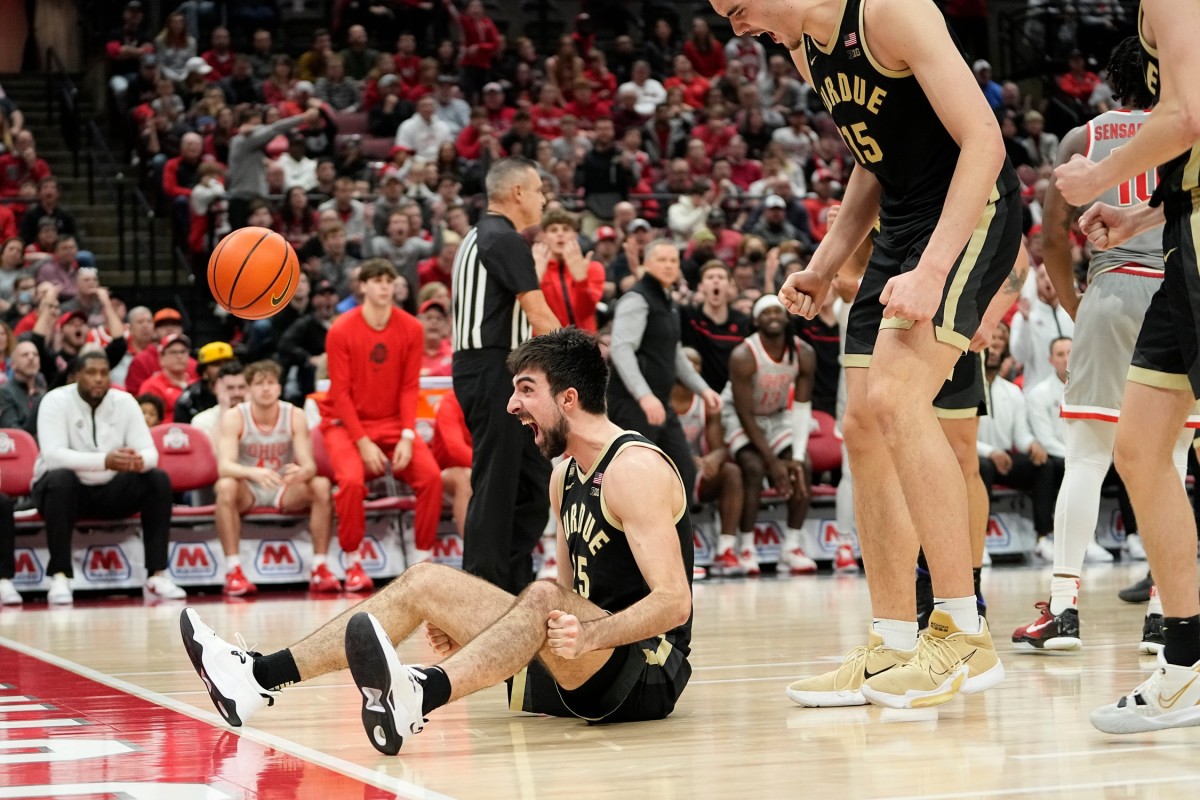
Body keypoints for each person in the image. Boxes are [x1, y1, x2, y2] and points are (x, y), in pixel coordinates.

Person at [181, 328, 694, 754]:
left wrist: (588, 638)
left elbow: (674, 604)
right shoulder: (565, 474)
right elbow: (567, 601)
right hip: (585, 664)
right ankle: (256, 679)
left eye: (525, 389)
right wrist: (486, 635)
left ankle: (420, 692)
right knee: (426, 581)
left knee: (539, 595)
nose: (512, 404)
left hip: (646, 671)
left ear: (568, 398)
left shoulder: (634, 469)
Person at [720, 0, 1022, 708]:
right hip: (902, 222)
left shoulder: (890, 12)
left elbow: (984, 140)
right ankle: (891, 641)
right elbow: (870, 162)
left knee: (896, 399)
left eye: (736, 10)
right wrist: (827, 264)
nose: (736, 30)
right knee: (862, 425)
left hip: (968, 212)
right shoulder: (803, 46)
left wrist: (934, 269)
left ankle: (963, 633)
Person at [1051, 0, 1200, 733]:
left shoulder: (1173, 3)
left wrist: (1101, 176)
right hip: (1175, 242)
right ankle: (1185, 661)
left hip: (1162, 263)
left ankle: (1065, 599)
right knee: (1143, 450)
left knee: (1105, 453)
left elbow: (1186, 118)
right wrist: (1141, 216)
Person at [1016, 38, 1183, 655]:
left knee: (1087, 456)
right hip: (1176, 296)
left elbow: (1054, 241)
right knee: (1172, 456)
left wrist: (1071, 303)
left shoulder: (1080, 139)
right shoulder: (1185, 129)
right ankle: (1168, 614)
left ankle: (1062, 610)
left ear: (1113, 83)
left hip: (1111, 294)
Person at [450, 157, 561, 594]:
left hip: (495, 368)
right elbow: (539, 315)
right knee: (497, 482)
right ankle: (480, 590)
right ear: (517, 193)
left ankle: (514, 584)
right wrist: (580, 361)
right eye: (538, 190)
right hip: (493, 367)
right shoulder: (505, 238)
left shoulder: (478, 236)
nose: (543, 198)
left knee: (531, 483)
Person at [319, 259, 443, 591]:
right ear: (362, 286)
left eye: (389, 280)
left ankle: (422, 560)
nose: (384, 286)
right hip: (344, 424)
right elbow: (340, 393)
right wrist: (361, 440)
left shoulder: (412, 328)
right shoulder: (341, 329)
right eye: (376, 280)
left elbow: (408, 387)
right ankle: (353, 561)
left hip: (392, 422)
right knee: (351, 481)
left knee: (430, 476)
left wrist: (406, 433)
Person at [32, 351, 186, 605]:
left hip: (111, 487)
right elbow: (53, 457)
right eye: (91, 373)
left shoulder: (125, 402)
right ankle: (60, 576)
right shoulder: (55, 400)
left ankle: (157, 574)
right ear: (76, 376)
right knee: (60, 479)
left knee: (157, 479)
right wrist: (105, 460)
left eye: (104, 373)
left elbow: (150, 454)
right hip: (66, 491)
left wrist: (137, 461)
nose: (99, 379)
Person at [607, 239, 721, 500]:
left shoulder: (668, 301)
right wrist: (643, 395)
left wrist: (703, 390)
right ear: (646, 263)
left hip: (659, 401)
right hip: (632, 404)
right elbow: (621, 350)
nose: (669, 266)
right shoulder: (637, 299)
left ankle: (674, 539)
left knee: (683, 472)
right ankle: (631, 540)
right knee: (636, 482)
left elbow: (675, 352)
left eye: (673, 260)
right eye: (662, 260)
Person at [215, 360, 338, 598]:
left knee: (321, 485)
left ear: (280, 388)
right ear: (249, 389)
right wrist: (253, 472)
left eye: (271, 383)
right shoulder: (235, 416)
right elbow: (225, 466)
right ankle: (233, 570)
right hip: (249, 487)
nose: (266, 388)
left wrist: (304, 472)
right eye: (259, 383)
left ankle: (320, 567)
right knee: (225, 486)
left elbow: (309, 464)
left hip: (284, 486)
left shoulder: (294, 414)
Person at [720, 295, 817, 576]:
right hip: (740, 415)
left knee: (805, 468)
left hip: (776, 415)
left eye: (779, 311)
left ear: (787, 317)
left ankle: (792, 546)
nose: (774, 316)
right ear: (754, 320)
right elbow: (745, 413)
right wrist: (773, 463)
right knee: (753, 467)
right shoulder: (744, 355)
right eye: (766, 312)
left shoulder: (803, 353)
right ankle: (746, 547)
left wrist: (796, 458)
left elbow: (801, 407)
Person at [534, 209, 605, 332]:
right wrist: (535, 280)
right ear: (543, 236)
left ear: (575, 235)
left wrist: (581, 280)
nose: (560, 234)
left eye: (566, 229)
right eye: (553, 230)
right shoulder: (535, 268)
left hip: (583, 344)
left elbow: (585, 312)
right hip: (545, 345)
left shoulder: (593, 268)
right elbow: (533, 312)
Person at [139, 334, 198, 420]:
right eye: (173, 352)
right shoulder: (151, 387)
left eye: (183, 352)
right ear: (161, 358)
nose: (179, 356)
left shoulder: (197, 384)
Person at [173, 341, 234, 423]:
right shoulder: (190, 399)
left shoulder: (245, 391)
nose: (224, 368)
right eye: (216, 364)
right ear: (204, 372)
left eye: (228, 363)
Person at [0, 339, 45, 433]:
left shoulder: (42, 388)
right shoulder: (4, 392)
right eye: (25, 355)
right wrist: (39, 402)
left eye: (35, 354)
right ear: (13, 364)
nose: (31, 357)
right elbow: (14, 433)